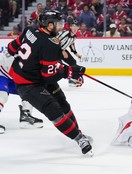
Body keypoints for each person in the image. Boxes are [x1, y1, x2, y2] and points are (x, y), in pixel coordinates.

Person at [7, 10, 93, 156]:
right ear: (49, 25)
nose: (61, 27)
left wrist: (64, 67)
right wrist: (69, 72)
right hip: (28, 84)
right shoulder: (50, 44)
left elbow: (11, 48)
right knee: (54, 111)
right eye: (58, 24)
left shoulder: (30, 29)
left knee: (63, 104)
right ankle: (79, 139)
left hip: (34, 75)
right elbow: (49, 76)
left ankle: (77, 132)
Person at [0, 50, 43, 134]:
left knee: (30, 91)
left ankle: (25, 115)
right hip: (2, 73)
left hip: (14, 75)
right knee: (2, 95)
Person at [56, 19, 84, 87]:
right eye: (73, 26)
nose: (74, 28)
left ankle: (72, 79)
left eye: (76, 26)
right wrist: (62, 51)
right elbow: (56, 41)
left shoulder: (74, 36)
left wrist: (76, 54)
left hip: (62, 51)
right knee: (58, 68)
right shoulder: (65, 33)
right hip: (55, 51)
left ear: (78, 27)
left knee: (73, 62)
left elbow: (72, 45)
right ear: (70, 27)